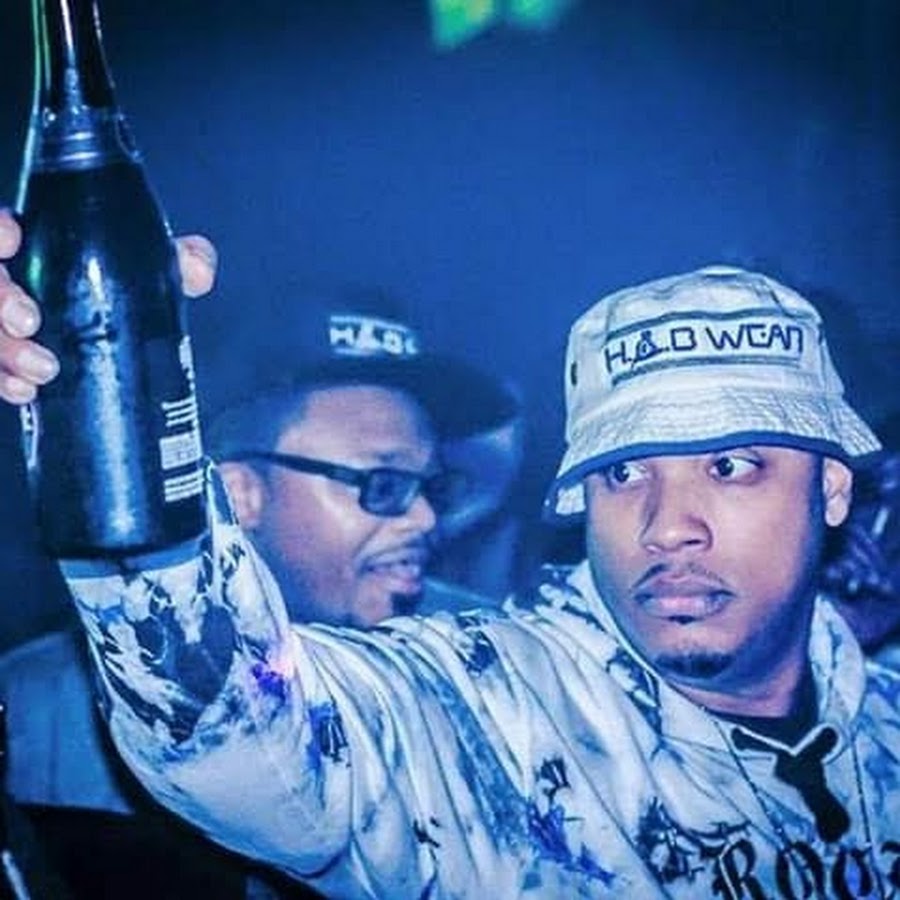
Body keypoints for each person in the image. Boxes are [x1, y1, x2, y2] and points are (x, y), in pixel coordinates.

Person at [2, 212, 899, 897]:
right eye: (623, 472)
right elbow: (241, 739)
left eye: (731, 466)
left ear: (831, 489)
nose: (667, 526)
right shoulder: (489, 709)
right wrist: (105, 393)